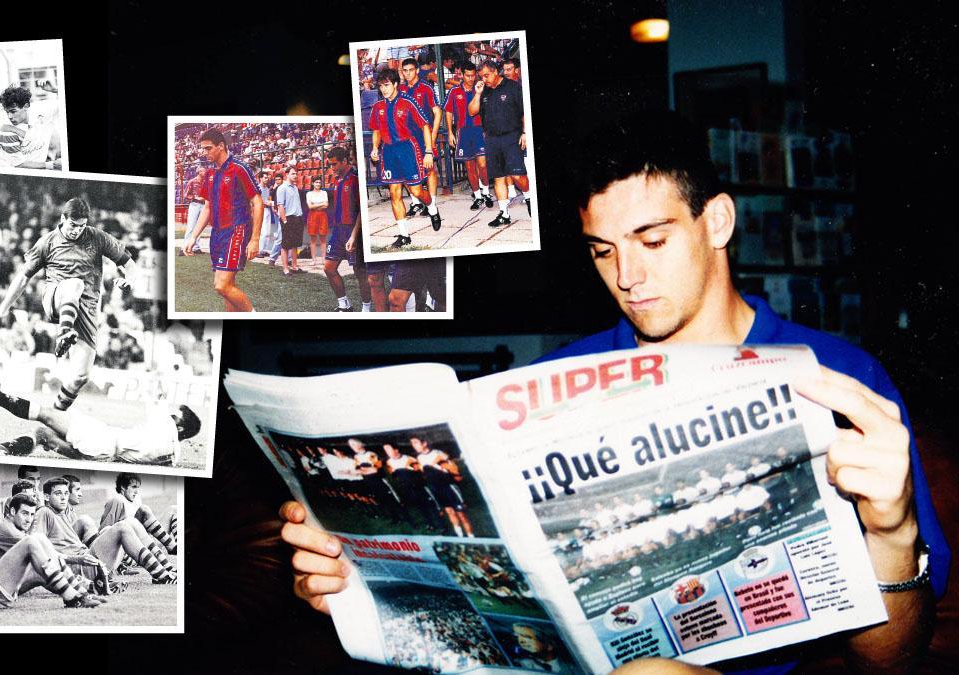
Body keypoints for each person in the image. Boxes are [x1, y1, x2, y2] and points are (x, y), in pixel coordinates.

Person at [277, 110, 949, 673]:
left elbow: (895, 662)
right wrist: (356, 574)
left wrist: (893, 530)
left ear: (716, 223)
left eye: (651, 240)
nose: (627, 276)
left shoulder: (839, 375)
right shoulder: (558, 379)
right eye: (602, 251)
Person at [0, 196, 136, 411]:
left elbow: (130, 265)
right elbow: (23, 277)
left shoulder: (98, 238)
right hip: (56, 298)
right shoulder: (48, 242)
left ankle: (55, 414)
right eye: (73, 225)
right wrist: (1, 310)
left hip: (88, 309)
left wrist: (130, 280)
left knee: (81, 376)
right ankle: (64, 332)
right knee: (74, 285)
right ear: (63, 218)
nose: (77, 231)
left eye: (82, 226)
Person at [0, 374, 201, 466]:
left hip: (102, 439)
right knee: (42, 434)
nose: (171, 415)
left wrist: (159, 382)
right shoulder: (173, 456)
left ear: (179, 426)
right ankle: (3, 450)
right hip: (103, 455)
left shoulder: (165, 424)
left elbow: (158, 394)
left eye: (176, 415)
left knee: (46, 414)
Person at [31, 477, 176, 586]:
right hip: (81, 567)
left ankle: (167, 569)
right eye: (58, 494)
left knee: (130, 522)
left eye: (65, 493)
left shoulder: (61, 513)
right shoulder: (44, 512)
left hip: (91, 562)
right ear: (46, 497)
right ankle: (162, 576)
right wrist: (73, 560)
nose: (63, 498)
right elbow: (36, 547)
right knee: (122, 527)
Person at [182, 128, 263, 311]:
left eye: (208, 148)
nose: (204, 153)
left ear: (221, 146)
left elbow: (257, 202)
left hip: (236, 229)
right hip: (217, 233)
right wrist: (193, 237)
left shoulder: (239, 168)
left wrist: (255, 239)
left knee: (221, 285)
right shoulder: (210, 174)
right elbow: (207, 207)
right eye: (202, 149)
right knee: (227, 289)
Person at [368, 67, 441, 248]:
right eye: (380, 86)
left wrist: (428, 151)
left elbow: (425, 126)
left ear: (395, 84)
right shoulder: (377, 107)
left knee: (416, 192)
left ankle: (432, 208)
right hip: (389, 152)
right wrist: (375, 148)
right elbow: (376, 130)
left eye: (386, 85)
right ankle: (404, 235)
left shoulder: (407, 102)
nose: (383, 89)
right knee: (395, 194)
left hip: (408, 149)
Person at [468, 59, 531, 226]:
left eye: (487, 75)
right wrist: (478, 93)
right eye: (481, 76)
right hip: (491, 139)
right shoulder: (484, 91)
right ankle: (504, 213)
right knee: (498, 177)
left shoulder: (512, 87)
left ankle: (529, 196)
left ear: (496, 72)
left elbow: (525, 111)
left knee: (518, 175)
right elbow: (472, 111)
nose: (484, 79)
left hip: (511, 136)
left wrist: (524, 132)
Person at [322, 146, 371, 312]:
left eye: (335, 164)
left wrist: (354, 236)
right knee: (328, 267)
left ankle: (366, 308)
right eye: (330, 164)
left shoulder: (355, 178)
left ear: (345, 161)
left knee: (360, 273)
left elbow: (361, 211)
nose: (332, 168)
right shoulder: (337, 179)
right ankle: (344, 305)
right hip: (338, 232)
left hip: (354, 231)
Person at [398, 58, 444, 223]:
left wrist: (432, 136)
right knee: (404, 171)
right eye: (405, 70)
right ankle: (417, 202)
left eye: (411, 70)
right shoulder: (400, 89)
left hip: (424, 134)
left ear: (417, 70)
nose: (408, 73)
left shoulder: (426, 87)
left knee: (429, 169)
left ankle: (432, 204)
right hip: (406, 138)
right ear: (402, 72)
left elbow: (437, 113)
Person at [444, 63, 493, 211]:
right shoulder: (454, 91)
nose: (471, 78)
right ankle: (478, 196)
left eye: (473, 75)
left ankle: (486, 192)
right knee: (470, 166)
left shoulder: (481, 89)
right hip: (463, 132)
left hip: (479, 131)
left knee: (483, 165)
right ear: (461, 75)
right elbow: (448, 112)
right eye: (468, 75)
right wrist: (450, 133)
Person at [275, 169, 305, 276]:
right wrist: (284, 221)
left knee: (295, 244)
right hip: (288, 218)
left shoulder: (295, 187)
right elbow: (280, 206)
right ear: (287, 175)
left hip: (297, 218)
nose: (295, 175)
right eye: (293, 173)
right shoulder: (282, 188)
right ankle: (285, 269)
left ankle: (294, 266)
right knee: (286, 245)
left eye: (296, 174)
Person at [181, 166, 207, 255]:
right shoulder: (192, 182)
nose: (205, 172)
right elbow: (185, 195)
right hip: (195, 204)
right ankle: (184, 247)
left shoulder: (206, 182)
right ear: (198, 172)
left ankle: (196, 247)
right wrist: (195, 197)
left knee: (199, 226)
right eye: (203, 171)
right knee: (191, 226)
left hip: (204, 205)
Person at [305, 177, 329, 269]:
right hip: (312, 216)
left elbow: (326, 205)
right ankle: (313, 259)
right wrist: (320, 204)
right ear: (312, 183)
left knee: (323, 238)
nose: (318, 184)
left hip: (322, 215)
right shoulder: (309, 193)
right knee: (313, 239)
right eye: (316, 182)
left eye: (319, 182)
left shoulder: (324, 192)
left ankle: (323, 258)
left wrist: (315, 205)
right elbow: (310, 206)